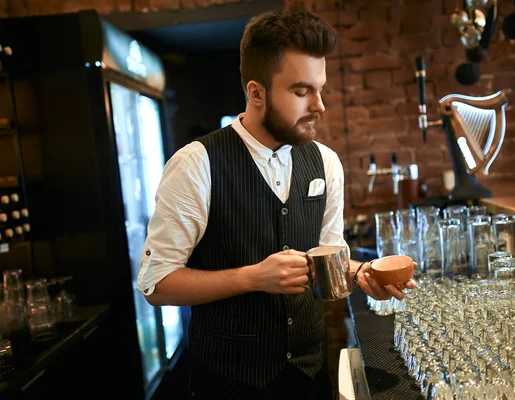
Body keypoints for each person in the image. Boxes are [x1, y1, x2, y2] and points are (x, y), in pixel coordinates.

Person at [137, 10, 416, 400]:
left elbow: (327, 259)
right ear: (256, 93)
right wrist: (251, 278)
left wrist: (360, 273)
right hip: (229, 382)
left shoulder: (325, 162)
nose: (319, 105)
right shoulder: (196, 164)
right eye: (302, 92)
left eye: (320, 88)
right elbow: (155, 284)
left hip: (309, 371)